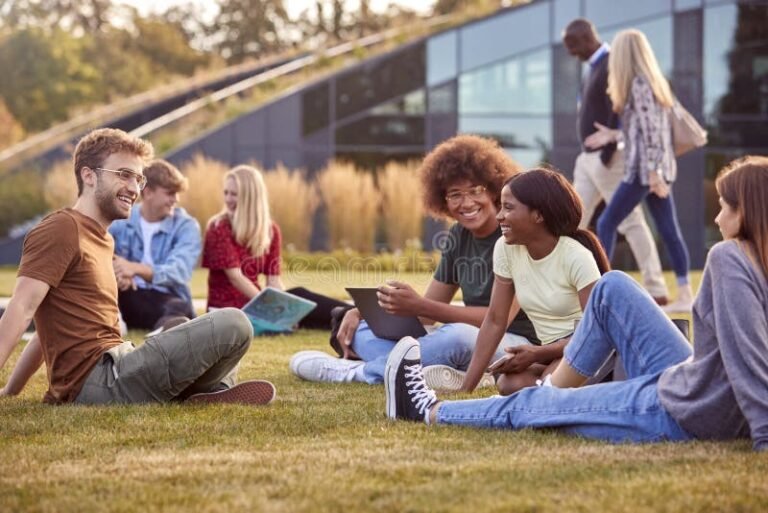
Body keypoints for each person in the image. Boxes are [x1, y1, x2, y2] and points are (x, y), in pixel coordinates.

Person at [385, 155, 768, 453]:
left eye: (723, 207)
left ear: (747, 212)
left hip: (688, 410)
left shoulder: (728, 257)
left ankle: (429, 410)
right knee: (612, 286)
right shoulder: (750, 259)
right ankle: (556, 388)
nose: (717, 218)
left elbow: (748, 354)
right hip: (687, 380)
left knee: (538, 404)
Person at [0, 128, 275, 406]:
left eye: (138, 178)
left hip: (119, 363)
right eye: (123, 175)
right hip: (103, 380)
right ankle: (206, 391)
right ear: (89, 175)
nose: (134, 188)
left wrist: (11, 390)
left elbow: (45, 330)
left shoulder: (103, 239)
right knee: (235, 323)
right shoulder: (62, 228)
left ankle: (202, 394)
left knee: (183, 326)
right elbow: (22, 308)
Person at [289, 135, 538, 389]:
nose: (466, 203)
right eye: (455, 195)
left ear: (495, 190)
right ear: (442, 200)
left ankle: (359, 372)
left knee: (456, 336)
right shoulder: (457, 236)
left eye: (476, 191)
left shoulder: (513, 234)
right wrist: (364, 313)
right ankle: (440, 370)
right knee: (362, 333)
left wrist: (421, 306)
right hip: (471, 343)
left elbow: (497, 321)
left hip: (518, 345)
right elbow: (427, 316)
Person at [459, 168, 609, 395]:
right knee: (509, 385)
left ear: (538, 215)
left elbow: (595, 335)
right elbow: (495, 320)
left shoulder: (576, 257)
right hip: (551, 352)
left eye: (508, 208)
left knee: (548, 389)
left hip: (584, 349)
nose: (499, 216)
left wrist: (538, 354)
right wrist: (465, 389)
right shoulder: (506, 248)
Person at [584, 29, 692, 313]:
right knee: (669, 230)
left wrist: (655, 174)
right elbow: (640, 133)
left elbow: (653, 136)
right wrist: (613, 135)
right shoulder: (648, 82)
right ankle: (684, 294)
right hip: (651, 170)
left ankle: (600, 290)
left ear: (624, 54)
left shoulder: (640, 85)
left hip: (643, 172)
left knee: (607, 223)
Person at [562, 18, 668, 304]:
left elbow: (619, 110)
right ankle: (567, 281)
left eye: (573, 46)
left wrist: (609, 149)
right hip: (587, 159)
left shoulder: (611, 63)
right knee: (572, 217)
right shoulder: (594, 67)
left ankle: (656, 286)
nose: (571, 53)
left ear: (586, 39)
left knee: (630, 221)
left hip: (606, 159)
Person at [201, 164, 348, 329]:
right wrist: (273, 310)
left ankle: (355, 316)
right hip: (228, 311)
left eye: (234, 194)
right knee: (297, 307)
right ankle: (351, 316)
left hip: (257, 306)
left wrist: (287, 306)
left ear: (250, 197)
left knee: (303, 302)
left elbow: (273, 280)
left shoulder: (270, 231)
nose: (228, 199)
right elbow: (236, 277)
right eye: (226, 193)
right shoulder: (218, 227)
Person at [109, 159, 200, 331]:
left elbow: (179, 271)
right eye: (170, 193)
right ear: (149, 192)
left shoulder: (186, 226)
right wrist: (117, 271)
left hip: (166, 300)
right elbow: (97, 247)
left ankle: (164, 333)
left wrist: (135, 268)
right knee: (98, 289)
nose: (176, 199)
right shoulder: (120, 219)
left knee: (180, 307)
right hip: (126, 296)